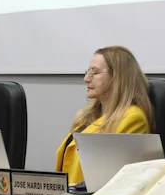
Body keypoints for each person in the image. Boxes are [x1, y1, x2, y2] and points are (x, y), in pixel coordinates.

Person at [55, 46, 154, 185]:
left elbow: (113, 180)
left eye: (94, 73)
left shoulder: (132, 118)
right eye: (87, 72)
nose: (86, 79)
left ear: (118, 77)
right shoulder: (86, 117)